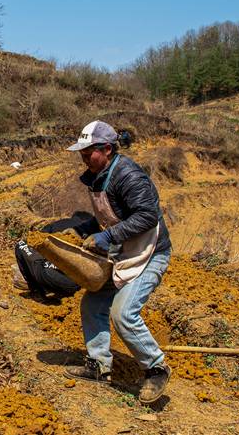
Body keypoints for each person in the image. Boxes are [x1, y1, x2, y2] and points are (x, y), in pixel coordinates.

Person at [62, 120, 172, 405]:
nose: (84, 159)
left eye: (88, 154)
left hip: (150, 253)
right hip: (124, 252)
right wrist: (82, 229)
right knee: (93, 303)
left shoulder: (129, 176)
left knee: (124, 313)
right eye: (82, 154)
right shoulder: (99, 175)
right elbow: (108, 216)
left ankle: (156, 368)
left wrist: (108, 236)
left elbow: (147, 216)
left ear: (107, 149)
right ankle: (99, 365)